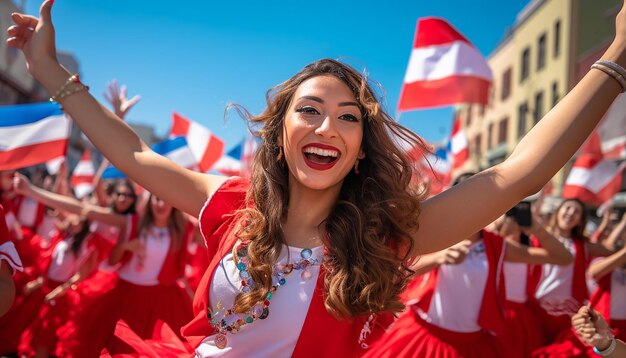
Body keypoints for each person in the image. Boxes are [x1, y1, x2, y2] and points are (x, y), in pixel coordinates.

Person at [7, 1, 626, 355]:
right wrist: (52, 73)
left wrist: (615, 58)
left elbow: (518, 173)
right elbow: (136, 158)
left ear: (359, 149)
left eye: (347, 117)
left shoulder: (390, 236)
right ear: (282, 131)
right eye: (310, 109)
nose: (327, 125)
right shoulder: (229, 203)